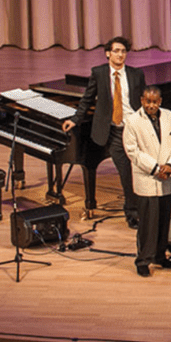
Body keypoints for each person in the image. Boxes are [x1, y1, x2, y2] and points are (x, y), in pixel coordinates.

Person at [62, 36, 147, 227]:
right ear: (108, 53)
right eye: (116, 51)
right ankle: (132, 213)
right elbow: (87, 99)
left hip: (134, 129)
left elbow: (144, 100)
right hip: (115, 131)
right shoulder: (99, 73)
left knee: (142, 168)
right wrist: (75, 119)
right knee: (125, 171)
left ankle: (146, 207)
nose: (120, 55)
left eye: (123, 51)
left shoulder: (136, 74)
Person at [122, 86, 171, 277]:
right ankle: (143, 260)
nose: (151, 105)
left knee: (164, 221)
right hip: (148, 178)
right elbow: (132, 152)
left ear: (160, 101)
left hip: (167, 178)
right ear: (141, 100)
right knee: (148, 224)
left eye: (154, 102)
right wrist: (156, 168)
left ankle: (160, 256)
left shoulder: (169, 116)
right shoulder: (132, 121)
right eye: (147, 101)